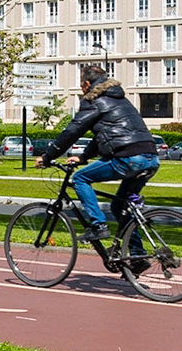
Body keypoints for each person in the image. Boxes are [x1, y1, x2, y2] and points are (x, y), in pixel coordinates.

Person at [37, 64, 162, 244]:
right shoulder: (122, 100)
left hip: (127, 158)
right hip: (151, 158)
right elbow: (104, 136)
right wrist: (83, 157)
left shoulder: (93, 101)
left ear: (87, 84)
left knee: (80, 178)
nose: (81, 87)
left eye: (81, 84)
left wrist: (48, 156)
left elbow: (73, 130)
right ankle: (136, 256)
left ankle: (98, 226)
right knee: (119, 206)